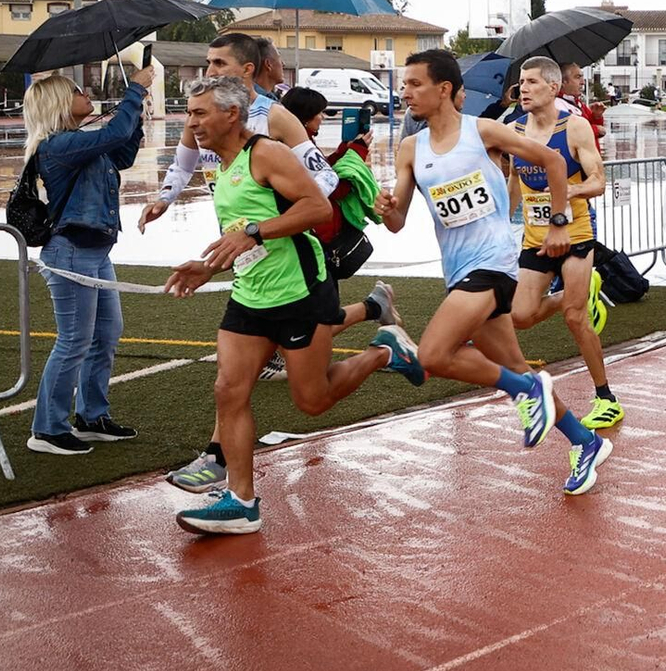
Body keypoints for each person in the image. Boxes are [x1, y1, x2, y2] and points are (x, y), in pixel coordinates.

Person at [164, 76, 409, 534]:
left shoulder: (266, 153)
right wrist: (207, 266)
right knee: (228, 390)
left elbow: (317, 207)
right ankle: (241, 502)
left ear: (231, 115)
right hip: (249, 295)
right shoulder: (220, 163)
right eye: (189, 112)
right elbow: (239, 231)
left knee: (311, 400)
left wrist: (254, 232)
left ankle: (385, 352)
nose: (190, 122)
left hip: (300, 291)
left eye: (199, 113)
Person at [375, 50, 614, 495]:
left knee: (432, 355)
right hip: (458, 268)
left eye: (414, 84)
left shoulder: (482, 131)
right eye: (404, 84)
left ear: (443, 89)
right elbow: (398, 221)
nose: (404, 92)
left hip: (495, 261)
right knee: (512, 363)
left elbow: (554, 163)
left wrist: (559, 221)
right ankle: (584, 441)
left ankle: (525, 390)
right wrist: (385, 209)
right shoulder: (411, 148)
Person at [22, 68, 152, 455]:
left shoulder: (79, 142)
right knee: (74, 340)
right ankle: (47, 428)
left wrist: (137, 111)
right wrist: (133, 92)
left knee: (105, 335)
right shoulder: (57, 146)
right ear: (61, 103)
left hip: (94, 252)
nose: (87, 93)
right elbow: (113, 135)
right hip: (72, 252)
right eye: (78, 91)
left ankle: (92, 417)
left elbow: (122, 151)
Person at [508, 57, 623, 430]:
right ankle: (576, 292)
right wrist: (500, 220)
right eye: (521, 83)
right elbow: (513, 182)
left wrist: (565, 190)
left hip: (574, 233)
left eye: (532, 82)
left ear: (554, 88)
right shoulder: (514, 130)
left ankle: (606, 397)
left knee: (576, 318)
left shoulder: (574, 127)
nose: (523, 89)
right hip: (534, 237)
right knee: (521, 316)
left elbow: (598, 182)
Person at [277, 86, 404, 338]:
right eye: (319, 113)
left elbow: (330, 182)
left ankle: (377, 319)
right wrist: (354, 152)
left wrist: (348, 150)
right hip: (312, 236)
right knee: (313, 316)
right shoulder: (292, 145)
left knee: (317, 320)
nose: (322, 118)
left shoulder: (295, 143)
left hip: (315, 239)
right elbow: (331, 185)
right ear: (304, 117)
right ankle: (375, 307)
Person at [560, 62, 606, 141]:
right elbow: (568, 133)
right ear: (563, 82)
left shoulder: (579, 103)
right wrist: (595, 130)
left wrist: (596, 116)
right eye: (577, 77)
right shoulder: (557, 105)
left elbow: (594, 128)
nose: (582, 82)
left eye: (582, 77)